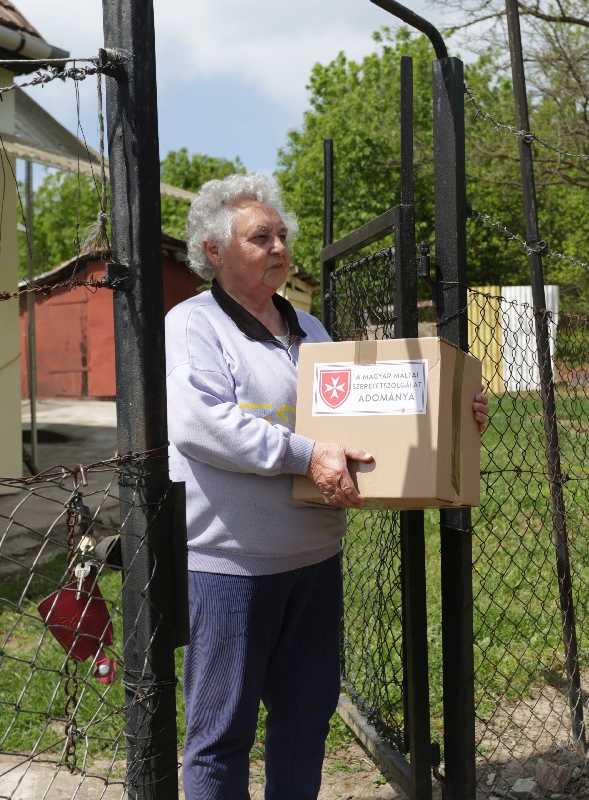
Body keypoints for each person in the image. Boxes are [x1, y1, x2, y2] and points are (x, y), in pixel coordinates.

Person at [165, 172, 489, 799]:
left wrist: (453, 417)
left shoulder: (310, 331)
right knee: (219, 737)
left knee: (305, 720)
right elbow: (202, 425)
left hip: (314, 560)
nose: (280, 248)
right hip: (230, 566)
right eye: (262, 237)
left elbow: (368, 422)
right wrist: (306, 454)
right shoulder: (193, 326)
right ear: (214, 250)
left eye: (282, 236)